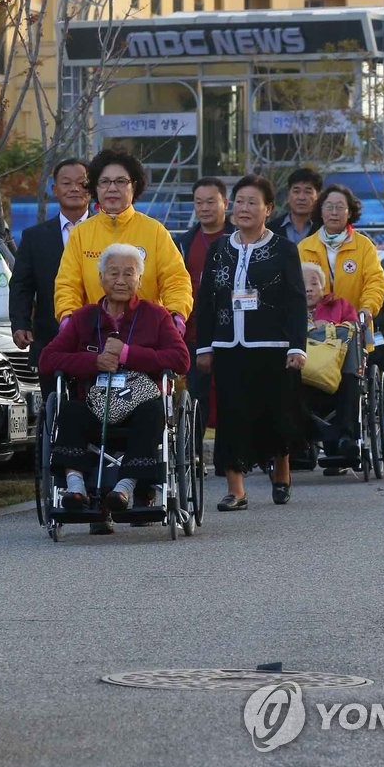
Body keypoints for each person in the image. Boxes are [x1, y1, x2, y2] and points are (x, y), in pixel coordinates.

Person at [40, 243, 190, 534]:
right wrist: (94, 362)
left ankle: (125, 488)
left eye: (128, 274)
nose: (120, 280)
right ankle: (75, 488)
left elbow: (180, 359)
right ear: (101, 278)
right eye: (113, 273)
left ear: (139, 279)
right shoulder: (83, 317)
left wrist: (127, 355)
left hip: (140, 403)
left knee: (153, 410)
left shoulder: (156, 316)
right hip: (94, 402)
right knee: (69, 410)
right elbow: (48, 359)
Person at [194, 174, 308, 509]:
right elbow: (207, 301)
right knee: (232, 416)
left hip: (272, 346)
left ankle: (282, 469)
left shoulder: (283, 250)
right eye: (240, 201)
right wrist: (204, 346)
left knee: (274, 413)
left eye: (252, 202)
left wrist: (297, 346)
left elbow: (296, 301)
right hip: (229, 347)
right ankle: (236, 489)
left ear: (268, 209)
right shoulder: (219, 250)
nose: (244, 208)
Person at [53, 148, 193, 331]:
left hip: (147, 335)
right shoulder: (80, 234)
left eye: (120, 181)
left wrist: (176, 315)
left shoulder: (155, 231)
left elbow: (176, 280)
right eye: (104, 182)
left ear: (133, 187)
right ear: (95, 187)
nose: (112, 188)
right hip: (94, 335)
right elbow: (67, 285)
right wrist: (68, 318)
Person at [9, 158, 91, 387]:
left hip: (98, 340)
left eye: (81, 183)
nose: (74, 188)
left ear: (91, 188)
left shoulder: (107, 233)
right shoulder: (35, 237)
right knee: (54, 409)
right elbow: (21, 285)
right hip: (50, 338)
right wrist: (20, 324)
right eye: (66, 183)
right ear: (54, 189)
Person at [176, 177, 235, 425]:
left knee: (232, 396)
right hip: (194, 332)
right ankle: (196, 456)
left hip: (234, 330)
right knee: (196, 397)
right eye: (198, 202)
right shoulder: (183, 242)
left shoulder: (240, 237)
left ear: (225, 202)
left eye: (211, 201)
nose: (204, 208)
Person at [300, 261, 362, 473]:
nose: (308, 288)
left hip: (337, 375)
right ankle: (302, 443)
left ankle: (346, 438)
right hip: (303, 375)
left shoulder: (340, 306)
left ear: (323, 287)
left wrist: (332, 329)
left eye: (314, 283)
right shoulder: (289, 310)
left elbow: (355, 332)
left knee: (352, 379)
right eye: (303, 283)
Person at [297, 184, 384, 324]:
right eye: (329, 207)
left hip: (354, 327)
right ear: (320, 211)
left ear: (349, 212)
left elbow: (375, 282)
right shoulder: (305, 247)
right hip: (314, 331)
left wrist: (367, 308)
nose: (334, 212)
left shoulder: (364, 246)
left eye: (339, 207)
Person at [266, 167, 323, 244]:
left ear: (318, 196)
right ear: (288, 195)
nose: (301, 197)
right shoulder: (270, 230)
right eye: (296, 191)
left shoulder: (325, 228)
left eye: (307, 192)